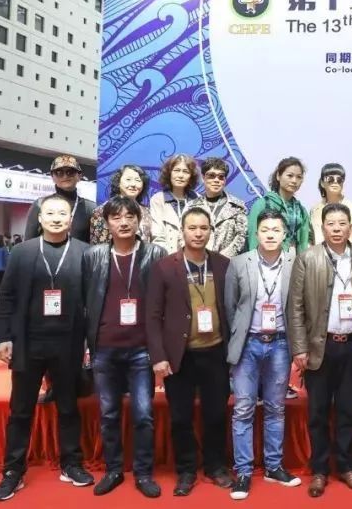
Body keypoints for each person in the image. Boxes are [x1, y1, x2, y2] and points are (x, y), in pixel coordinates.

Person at [0, 194, 94, 502]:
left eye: (62, 213)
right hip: (28, 342)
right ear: (39, 218)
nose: (56, 218)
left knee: (68, 407)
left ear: (71, 219)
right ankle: (13, 470)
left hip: (68, 342)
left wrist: (90, 343)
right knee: (21, 409)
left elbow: (92, 302)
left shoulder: (85, 252)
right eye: (50, 213)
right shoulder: (22, 252)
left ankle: (71, 463)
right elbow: (6, 297)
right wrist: (4, 337)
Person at [83, 196, 167, 498]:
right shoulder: (93, 256)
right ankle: (113, 470)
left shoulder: (155, 253)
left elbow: (163, 302)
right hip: (105, 347)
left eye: (130, 216)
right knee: (108, 414)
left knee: (143, 414)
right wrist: (86, 345)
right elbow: (85, 302)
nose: (123, 222)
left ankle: (143, 473)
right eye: (116, 217)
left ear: (138, 220)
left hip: (141, 348)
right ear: (107, 223)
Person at [145, 207, 233, 496]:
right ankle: (185, 470)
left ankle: (216, 466)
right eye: (192, 228)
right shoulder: (164, 267)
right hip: (179, 355)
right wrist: (158, 356)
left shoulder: (222, 265)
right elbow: (152, 315)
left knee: (216, 414)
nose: (198, 233)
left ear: (211, 231)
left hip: (216, 353)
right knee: (180, 417)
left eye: (203, 228)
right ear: (182, 231)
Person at [288, 203, 352, 497]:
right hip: (318, 347)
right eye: (331, 224)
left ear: (350, 227)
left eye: (342, 223)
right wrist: (299, 348)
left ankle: (347, 466)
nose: (337, 229)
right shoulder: (308, 258)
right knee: (318, 412)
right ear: (322, 227)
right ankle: (320, 470)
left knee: (348, 410)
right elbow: (295, 307)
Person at [224, 210, 301, 500]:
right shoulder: (239, 262)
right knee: (243, 407)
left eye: (276, 230)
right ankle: (243, 472)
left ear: (285, 235)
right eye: (265, 229)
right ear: (256, 234)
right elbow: (230, 306)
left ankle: (274, 467)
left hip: (280, 343)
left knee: (275, 408)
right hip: (248, 344)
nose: (270, 234)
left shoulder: (295, 262)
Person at [185, 157, 249, 259]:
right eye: (211, 176)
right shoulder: (191, 206)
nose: (216, 180)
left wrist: (220, 259)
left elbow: (241, 236)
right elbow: (185, 234)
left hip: (227, 262)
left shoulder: (238, 207)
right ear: (203, 178)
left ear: (225, 180)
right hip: (197, 261)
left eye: (221, 177)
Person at [24, 155, 97, 243]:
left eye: (70, 172)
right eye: (59, 172)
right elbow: (28, 242)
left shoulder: (90, 208)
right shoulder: (40, 204)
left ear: (79, 176)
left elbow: (95, 244)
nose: (65, 176)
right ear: (52, 177)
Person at [247, 157, 312, 253]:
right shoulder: (263, 204)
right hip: (266, 258)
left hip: (293, 259)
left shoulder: (301, 211)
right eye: (290, 176)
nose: (294, 181)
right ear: (278, 176)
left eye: (299, 177)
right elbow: (253, 238)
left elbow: (303, 242)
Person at [309, 163, 352, 249]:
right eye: (330, 179)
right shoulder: (315, 210)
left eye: (339, 179)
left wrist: (347, 249)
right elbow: (310, 238)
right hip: (319, 256)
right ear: (322, 183)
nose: (335, 182)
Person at [147, 154, 200, 254]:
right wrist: (171, 259)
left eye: (185, 171)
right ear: (169, 173)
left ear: (191, 176)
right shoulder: (158, 199)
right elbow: (158, 236)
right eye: (176, 170)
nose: (180, 175)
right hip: (168, 257)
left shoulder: (198, 199)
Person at [90, 164, 154, 244]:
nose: (133, 184)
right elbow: (97, 245)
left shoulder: (147, 211)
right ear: (118, 182)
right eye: (128, 179)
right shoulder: (102, 210)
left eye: (138, 180)